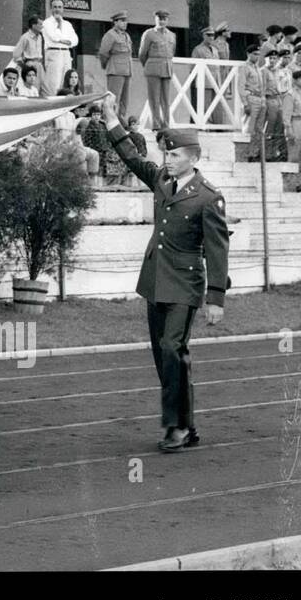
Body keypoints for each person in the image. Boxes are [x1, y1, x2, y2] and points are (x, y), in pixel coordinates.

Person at [101, 92, 229, 453]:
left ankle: (175, 426)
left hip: (186, 284)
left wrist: (215, 298)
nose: (167, 160)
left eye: (174, 155)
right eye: (166, 154)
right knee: (163, 354)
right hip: (156, 280)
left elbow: (218, 249)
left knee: (173, 348)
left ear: (193, 158)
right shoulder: (161, 180)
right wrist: (111, 117)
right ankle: (186, 425)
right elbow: (131, 157)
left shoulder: (208, 197)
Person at [138, 9, 176, 129]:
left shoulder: (172, 35)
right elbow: (142, 53)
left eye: (164, 19)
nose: (162, 21)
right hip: (153, 67)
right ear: (155, 19)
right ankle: (156, 124)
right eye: (160, 19)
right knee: (154, 98)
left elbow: (172, 52)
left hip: (166, 67)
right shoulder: (149, 34)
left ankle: (166, 124)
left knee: (165, 99)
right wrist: (149, 65)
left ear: (167, 20)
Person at [97, 11, 134, 120]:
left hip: (127, 70)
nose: (125, 23)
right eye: (122, 21)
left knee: (124, 100)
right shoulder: (110, 35)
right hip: (115, 70)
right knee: (113, 99)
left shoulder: (126, 36)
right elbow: (103, 53)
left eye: (125, 21)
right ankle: (110, 121)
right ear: (115, 22)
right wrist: (107, 66)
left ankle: (121, 121)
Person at [42, 0, 79, 96]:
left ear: (63, 9)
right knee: (54, 83)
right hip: (54, 53)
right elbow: (54, 37)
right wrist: (66, 39)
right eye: (55, 7)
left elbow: (75, 40)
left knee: (67, 80)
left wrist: (64, 41)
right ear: (51, 9)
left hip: (66, 53)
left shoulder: (67, 24)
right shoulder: (47, 23)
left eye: (59, 7)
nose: (57, 9)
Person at [241, 45, 267, 158]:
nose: (257, 57)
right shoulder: (245, 67)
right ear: (249, 54)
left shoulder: (257, 68)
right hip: (251, 97)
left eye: (258, 54)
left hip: (260, 99)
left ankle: (255, 153)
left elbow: (263, 86)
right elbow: (241, 86)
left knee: (259, 129)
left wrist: (263, 100)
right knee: (249, 127)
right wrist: (245, 103)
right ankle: (247, 154)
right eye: (255, 54)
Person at [10, 16, 47, 86]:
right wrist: (24, 66)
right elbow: (16, 54)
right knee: (32, 87)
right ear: (33, 25)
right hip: (30, 65)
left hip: (39, 65)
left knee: (44, 88)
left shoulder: (40, 37)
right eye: (40, 24)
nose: (42, 27)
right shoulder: (25, 37)